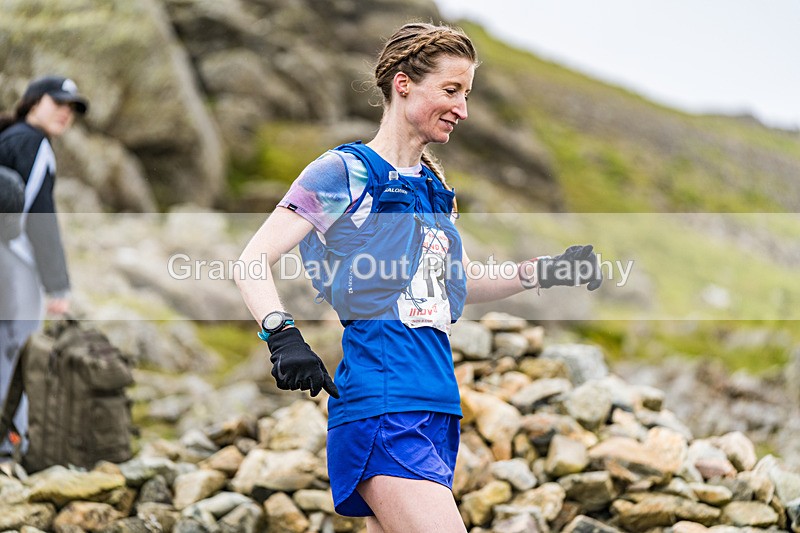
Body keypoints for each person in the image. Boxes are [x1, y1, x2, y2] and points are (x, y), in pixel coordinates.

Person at [236, 23, 601, 532]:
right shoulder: (345, 171)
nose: (463, 109)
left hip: (437, 407)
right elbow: (252, 259)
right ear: (403, 84)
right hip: (384, 405)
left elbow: (457, 286)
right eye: (451, 90)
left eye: (467, 94)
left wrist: (546, 271)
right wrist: (282, 334)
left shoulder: (435, 187)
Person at [0, 75, 88, 458]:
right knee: (16, 350)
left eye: (71, 108)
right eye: (58, 103)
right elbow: (40, 219)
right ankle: (10, 441)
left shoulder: (11, 136)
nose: (65, 113)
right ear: (34, 102)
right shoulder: (33, 142)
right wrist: (58, 285)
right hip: (12, 259)